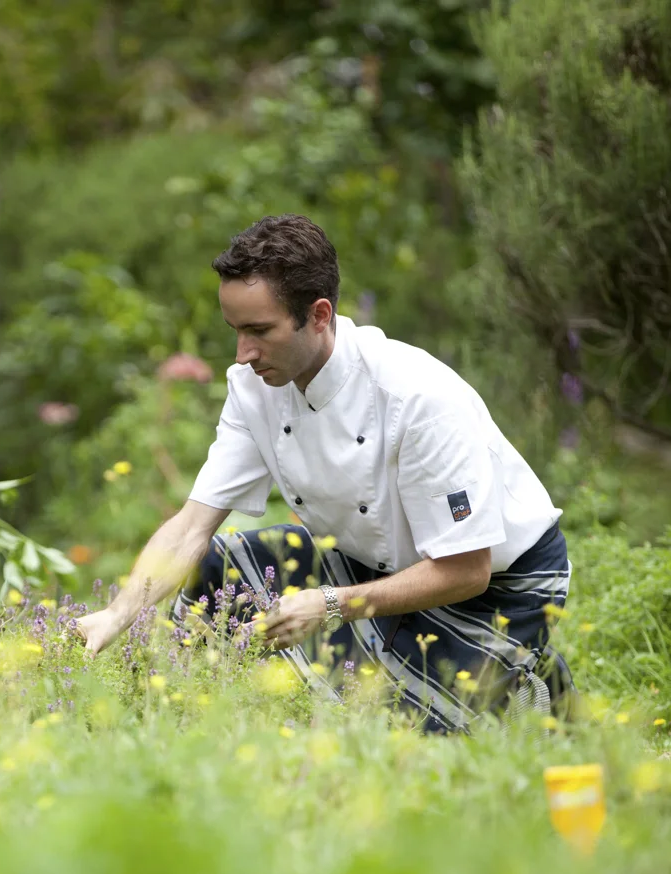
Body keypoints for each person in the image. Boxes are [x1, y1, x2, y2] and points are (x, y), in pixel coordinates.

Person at [75, 214, 571, 731]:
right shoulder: (253, 388)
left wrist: (334, 605)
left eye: (259, 331)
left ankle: (530, 686)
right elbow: (192, 527)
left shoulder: (416, 397)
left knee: (382, 735)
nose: (243, 354)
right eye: (235, 331)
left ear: (318, 315)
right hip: (370, 566)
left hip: (498, 585)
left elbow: (468, 569)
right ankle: (189, 720)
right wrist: (119, 612)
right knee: (220, 567)